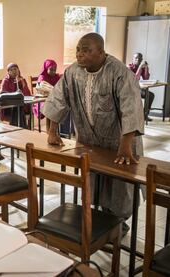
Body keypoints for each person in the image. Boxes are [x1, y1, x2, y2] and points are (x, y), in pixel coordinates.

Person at [43, 33, 144, 232]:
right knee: (94, 182)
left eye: (86, 50)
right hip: (90, 140)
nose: (80, 54)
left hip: (120, 143)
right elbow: (57, 99)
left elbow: (131, 108)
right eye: (78, 49)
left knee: (119, 186)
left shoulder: (120, 73)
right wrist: (52, 131)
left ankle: (118, 224)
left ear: (101, 52)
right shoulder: (72, 72)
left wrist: (125, 147)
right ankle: (100, 221)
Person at [37, 60, 72, 135]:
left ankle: (64, 132)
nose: (53, 71)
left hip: (55, 99)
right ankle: (50, 132)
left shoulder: (56, 76)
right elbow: (44, 88)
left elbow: (61, 87)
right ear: (46, 68)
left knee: (65, 107)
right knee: (52, 106)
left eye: (55, 70)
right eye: (51, 69)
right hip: (43, 100)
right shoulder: (42, 77)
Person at [0, 63, 31, 127]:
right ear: (8, 72)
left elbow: (28, 94)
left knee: (25, 106)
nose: (14, 71)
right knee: (18, 107)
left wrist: (23, 85)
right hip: (8, 107)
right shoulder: (6, 81)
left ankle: (23, 127)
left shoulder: (22, 79)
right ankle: (22, 127)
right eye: (11, 70)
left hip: (21, 104)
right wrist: (14, 94)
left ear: (18, 70)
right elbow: (2, 94)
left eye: (15, 69)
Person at [127, 52, 154, 121]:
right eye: (136, 58)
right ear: (132, 59)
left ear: (141, 60)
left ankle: (144, 115)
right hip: (128, 89)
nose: (137, 60)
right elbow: (135, 79)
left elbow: (146, 78)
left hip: (137, 88)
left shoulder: (141, 67)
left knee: (150, 95)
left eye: (139, 58)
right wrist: (139, 68)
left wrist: (146, 68)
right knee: (139, 95)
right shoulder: (129, 67)